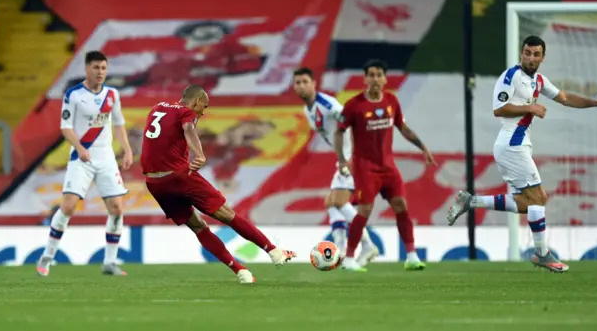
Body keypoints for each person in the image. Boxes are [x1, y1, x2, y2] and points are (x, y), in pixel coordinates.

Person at [447, 35, 597, 272]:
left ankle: (471, 201)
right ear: (521, 53)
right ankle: (542, 254)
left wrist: (595, 103)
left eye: (536, 54)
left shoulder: (538, 80)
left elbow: (565, 98)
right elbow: (498, 109)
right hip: (512, 144)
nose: (531, 57)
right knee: (539, 199)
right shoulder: (511, 76)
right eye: (527, 52)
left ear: (542, 57)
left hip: (518, 144)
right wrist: (530, 107)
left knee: (527, 203)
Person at [140, 85, 296, 284]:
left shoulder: (157, 108)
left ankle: (240, 271)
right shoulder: (187, 112)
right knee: (227, 215)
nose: (203, 113)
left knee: (198, 227)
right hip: (178, 177)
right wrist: (199, 153)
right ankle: (273, 251)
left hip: (154, 183)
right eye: (204, 107)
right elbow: (188, 128)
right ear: (196, 101)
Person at [37, 51, 133, 277]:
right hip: (81, 158)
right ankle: (47, 257)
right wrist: (80, 148)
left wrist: (127, 150)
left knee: (117, 208)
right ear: (87, 69)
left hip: (106, 158)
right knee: (68, 206)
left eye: (103, 68)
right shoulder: (74, 94)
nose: (100, 72)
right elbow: (65, 127)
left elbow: (118, 124)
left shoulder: (112, 94)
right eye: (96, 68)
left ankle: (109, 262)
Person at [335, 59, 437, 272]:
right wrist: (342, 160)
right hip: (365, 168)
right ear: (364, 79)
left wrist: (423, 147)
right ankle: (350, 258)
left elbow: (402, 127)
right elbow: (339, 130)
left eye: (379, 74)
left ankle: (411, 257)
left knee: (401, 205)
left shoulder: (391, 101)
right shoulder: (354, 105)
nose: (375, 78)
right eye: (370, 74)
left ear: (385, 78)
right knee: (364, 210)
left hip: (388, 167)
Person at [292, 67, 378, 265]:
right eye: (298, 83)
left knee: (338, 201)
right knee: (331, 202)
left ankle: (367, 245)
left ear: (314, 84)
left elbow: (352, 121)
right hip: (344, 156)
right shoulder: (308, 110)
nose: (301, 86)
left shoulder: (327, 104)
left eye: (305, 81)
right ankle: (340, 249)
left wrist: (349, 157)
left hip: (354, 156)